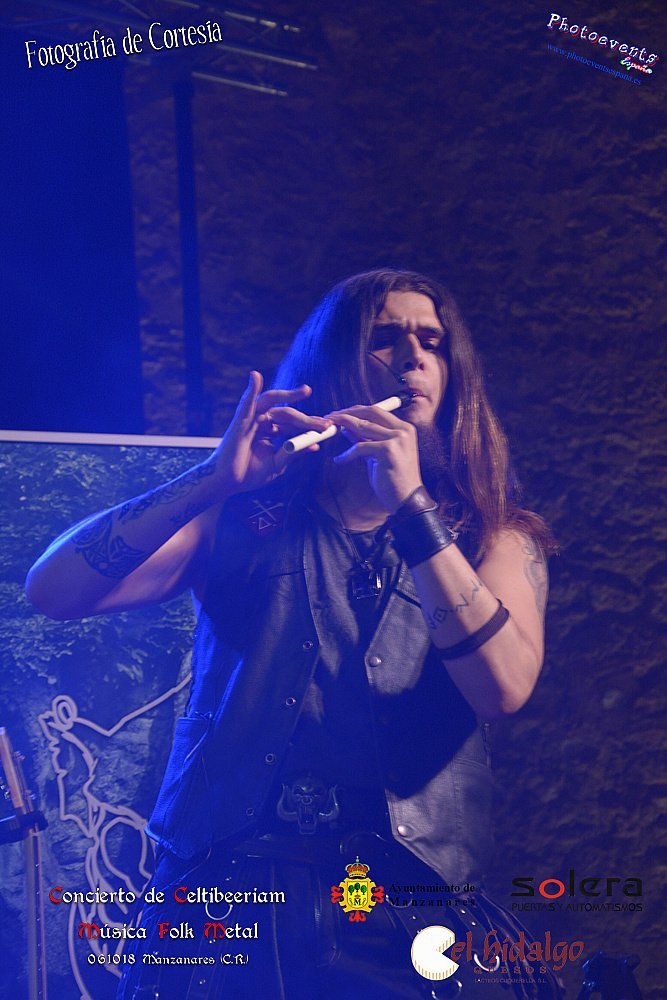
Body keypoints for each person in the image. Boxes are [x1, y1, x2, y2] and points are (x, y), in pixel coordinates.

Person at [26, 269, 561, 999]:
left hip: (409, 908)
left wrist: (411, 506)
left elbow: (502, 688)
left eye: (432, 341)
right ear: (332, 364)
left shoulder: (493, 537)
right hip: (222, 896)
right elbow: (53, 591)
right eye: (384, 338)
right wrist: (214, 479)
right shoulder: (241, 517)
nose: (412, 356)